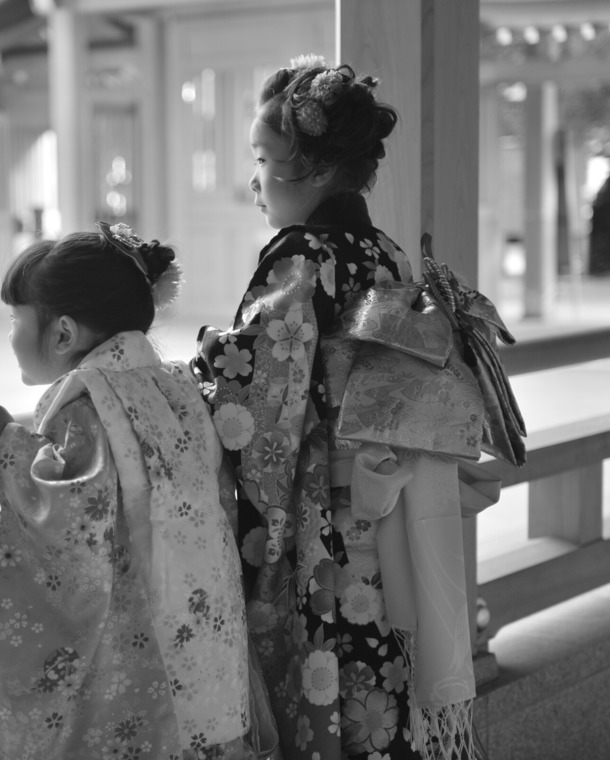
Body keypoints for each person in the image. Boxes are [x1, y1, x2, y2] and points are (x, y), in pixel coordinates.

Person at [192, 55, 521, 760]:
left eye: (262, 159)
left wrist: (200, 372)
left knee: (334, 683)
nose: (254, 180)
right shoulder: (387, 253)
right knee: (383, 687)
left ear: (311, 172)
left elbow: (254, 403)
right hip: (393, 514)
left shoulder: (300, 258)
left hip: (331, 527)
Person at [0, 223, 273, 760]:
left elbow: (70, 517)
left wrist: (8, 447)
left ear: (62, 334)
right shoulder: (173, 388)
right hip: (204, 639)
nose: (10, 333)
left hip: (139, 644)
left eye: (17, 319)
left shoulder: (90, 406)